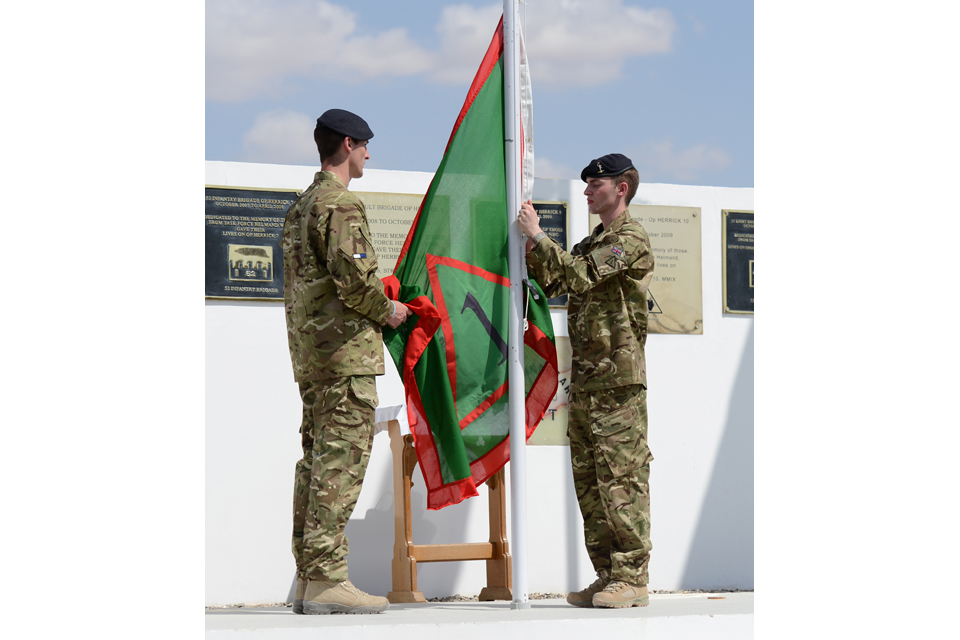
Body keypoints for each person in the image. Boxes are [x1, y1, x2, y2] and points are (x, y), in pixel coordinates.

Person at [282, 108, 410, 615]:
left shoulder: (300, 207)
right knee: (340, 463)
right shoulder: (341, 205)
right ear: (349, 145)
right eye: (365, 148)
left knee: (315, 462)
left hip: (312, 356)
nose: (368, 156)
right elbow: (354, 281)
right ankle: (328, 578)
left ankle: (312, 575)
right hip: (344, 357)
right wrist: (391, 310)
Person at [517, 153, 655, 609]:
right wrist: (528, 247)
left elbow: (577, 275)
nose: (588, 191)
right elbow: (556, 277)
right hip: (591, 381)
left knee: (622, 477)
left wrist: (538, 234)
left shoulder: (628, 239)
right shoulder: (593, 240)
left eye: (596, 184)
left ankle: (632, 577)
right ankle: (608, 574)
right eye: (588, 184)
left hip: (618, 382)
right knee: (591, 481)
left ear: (622, 187)